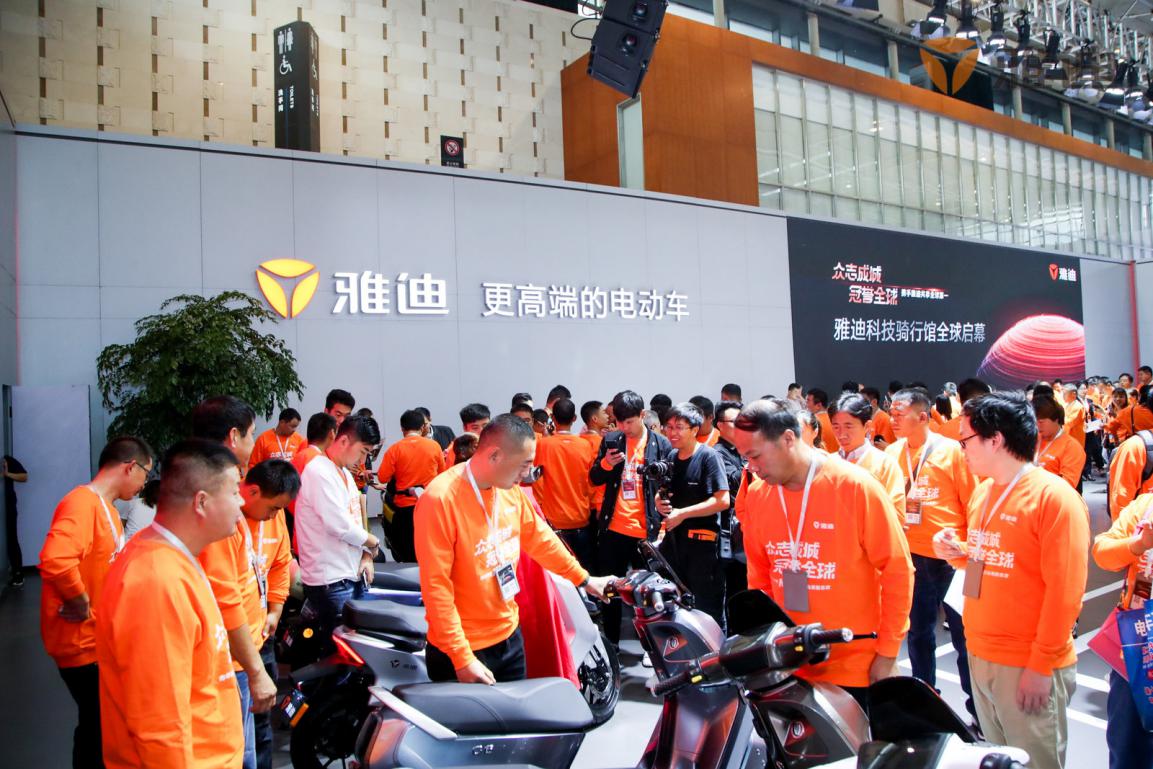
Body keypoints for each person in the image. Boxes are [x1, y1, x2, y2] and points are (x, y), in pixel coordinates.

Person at [934, 393, 1088, 769]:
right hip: (981, 652)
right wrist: (956, 553)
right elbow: (990, 559)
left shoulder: (1054, 499)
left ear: (995, 439)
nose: (961, 449)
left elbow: (1065, 593)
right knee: (998, 759)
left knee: (1034, 762)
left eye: (965, 439)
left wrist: (1040, 666)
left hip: (1026, 662)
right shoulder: (984, 493)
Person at [732, 399, 913, 707]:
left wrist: (887, 653)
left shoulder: (855, 487)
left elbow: (897, 570)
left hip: (854, 664)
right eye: (745, 457)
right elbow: (759, 578)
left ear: (788, 438)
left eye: (756, 455)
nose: (752, 467)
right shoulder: (759, 495)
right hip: (788, 664)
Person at [415, 415, 613, 683]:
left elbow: (540, 539)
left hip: (509, 636)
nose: (527, 474)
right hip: (463, 649)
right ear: (495, 455)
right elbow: (436, 586)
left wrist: (584, 579)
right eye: (524, 465)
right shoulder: (439, 499)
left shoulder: (508, 489)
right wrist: (461, 657)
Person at [96, 439, 245, 769]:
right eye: (235, 491)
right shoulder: (156, 581)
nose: (242, 501)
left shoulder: (175, 559)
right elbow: (159, 729)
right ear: (202, 502)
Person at [40, 436, 153, 769]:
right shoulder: (82, 503)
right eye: (145, 474)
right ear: (130, 467)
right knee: (98, 727)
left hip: (98, 640)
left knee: (99, 725)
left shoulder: (107, 508)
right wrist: (79, 599)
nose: (144, 484)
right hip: (81, 643)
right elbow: (56, 559)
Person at [885, 386, 978, 721]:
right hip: (912, 556)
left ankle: (977, 709)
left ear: (923, 417)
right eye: (891, 413)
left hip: (954, 558)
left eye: (900, 414)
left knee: (965, 636)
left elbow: (973, 501)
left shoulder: (952, 451)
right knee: (918, 633)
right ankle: (925, 705)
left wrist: (970, 549)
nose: (893, 420)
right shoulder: (892, 454)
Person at [192, 396, 273, 769]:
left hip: (235, 654)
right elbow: (226, 596)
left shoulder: (213, 492)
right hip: (231, 660)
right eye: (252, 433)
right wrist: (255, 670)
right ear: (234, 435)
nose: (254, 442)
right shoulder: (217, 504)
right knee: (239, 755)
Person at [590, 390, 672, 647]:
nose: (624, 427)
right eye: (619, 422)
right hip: (614, 528)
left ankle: (651, 646)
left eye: (629, 421)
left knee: (649, 592)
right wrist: (606, 464)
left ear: (642, 415)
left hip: (646, 530)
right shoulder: (611, 440)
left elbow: (670, 483)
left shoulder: (661, 444)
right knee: (611, 590)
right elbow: (594, 477)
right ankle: (612, 643)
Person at [295, 415, 383, 649]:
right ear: (344, 441)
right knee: (340, 650)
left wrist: (367, 554)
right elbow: (340, 526)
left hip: (349, 574)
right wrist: (373, 542)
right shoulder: (318, 471)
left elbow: (356, 519)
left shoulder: (342, 472)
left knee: (353, 646)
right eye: (363, 451)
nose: (362, 460)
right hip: (330, 579)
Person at [240, 460, 298, 769]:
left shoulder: (275, 520)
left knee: (262, 721)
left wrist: (275, 611)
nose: (276, 515)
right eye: (274, 507)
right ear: (252, 492)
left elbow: (280, 565)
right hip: (233, 641)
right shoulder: (227, 522)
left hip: (262, 633)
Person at [1092, 491, 1153, 769]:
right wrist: (1138, 544)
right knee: (1127, 746)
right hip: (1136, 645)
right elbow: (1102, 552)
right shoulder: (1146, 506)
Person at [656, 403, 731, 626]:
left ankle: (715, 647)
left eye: (679, 427)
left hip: (702, 547)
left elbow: (722, 500)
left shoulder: (709, 456)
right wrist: (659, 501)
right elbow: (665, 491)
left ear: (695, 429)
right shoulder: (671, 456)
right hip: (674, 544)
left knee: (706, 609)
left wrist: (683, 514)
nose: (672, 432)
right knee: (677, 606)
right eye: (669, 427)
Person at [533, 398, 598, 569]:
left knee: (559, 573)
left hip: (554, 521)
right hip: (582, 518)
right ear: (574, 418)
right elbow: (592, 481)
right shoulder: (585, 445)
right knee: (585, 571)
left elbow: (536, 480)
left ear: (553, 418)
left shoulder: (543, 445)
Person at [377, 409, 447, 562]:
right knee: (430, 547)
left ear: (402, 429)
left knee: (407, 549)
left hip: (404, 508)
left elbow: (382, 477)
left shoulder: (395, 449)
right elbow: (443, 474)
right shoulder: (434, 446)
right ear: (422, 427)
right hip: (429, 504)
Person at [829, 393, 905, 513]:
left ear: (867, 426)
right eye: (836, 427)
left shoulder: (885, 464)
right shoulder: (827, 463)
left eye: (848, 426)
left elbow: (896, 513)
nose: (841, 434)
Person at [713, 400, 748, 596]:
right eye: (735, 422)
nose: (740, 426)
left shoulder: (744, 449)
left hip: (749, 525)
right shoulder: (717, 453)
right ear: (720, 425)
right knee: (736, 586)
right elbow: (735, 481)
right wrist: (753, 460)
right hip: (730, 530)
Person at [1032, 395, 1086, 491]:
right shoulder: (1031, 440)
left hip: (1051, 496)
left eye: (1041, 421)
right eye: (1034, 421)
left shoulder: (1071, 447)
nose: (1037, 425)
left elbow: (1066, 486)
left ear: (1056, 419)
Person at [191, 395, 258, 468]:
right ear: (234, 436)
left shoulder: (187, 469)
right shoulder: (227, 474)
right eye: (252, 433)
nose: (254, 445)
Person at [4, 454, 28, 586]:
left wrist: (7, 474)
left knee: (11, 538)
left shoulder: (6, 459)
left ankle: (18, 574)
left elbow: (24, 476)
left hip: (8, 507)